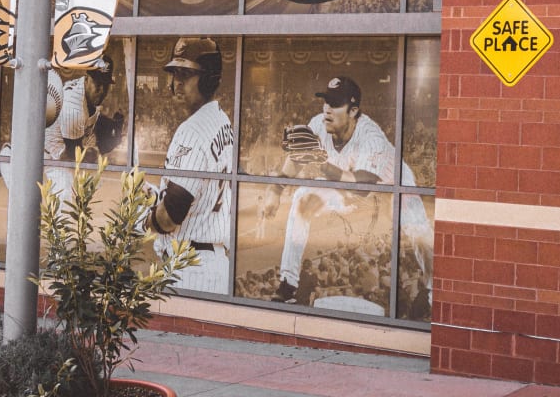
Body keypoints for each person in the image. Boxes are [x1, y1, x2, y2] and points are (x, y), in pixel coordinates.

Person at [261, 76, 433, 306]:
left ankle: (434, 292)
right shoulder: (318, 125)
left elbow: (362, 186)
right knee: (303, 197)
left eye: (335, 104)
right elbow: (295, 160)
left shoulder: (371, 136)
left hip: (390, 184)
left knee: (420, 236)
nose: (327, 110)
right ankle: (288, 283)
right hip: (345, 183)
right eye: (325, 102)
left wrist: (322, 164)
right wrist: (275, 191)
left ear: (353, 111)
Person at [148, 37, 234, 293]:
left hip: (190, 269)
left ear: (208, 79)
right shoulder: (223, 121)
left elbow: (170, 216)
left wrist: (147, 216)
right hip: (214, 264)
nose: (177, 82)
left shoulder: (192, 130)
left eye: (187, 74)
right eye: (175, 73)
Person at [0, 54, 122, 203]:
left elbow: (87, 126)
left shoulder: (85, 97)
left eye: (106, 85)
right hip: (24, 155)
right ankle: (6, 158)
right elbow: (71, 155)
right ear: (87, 78)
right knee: (26, 204)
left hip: (51, 155)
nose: (101, 90)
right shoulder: (74, 107)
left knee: (62, 202)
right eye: (97, 83)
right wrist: (96, 151)